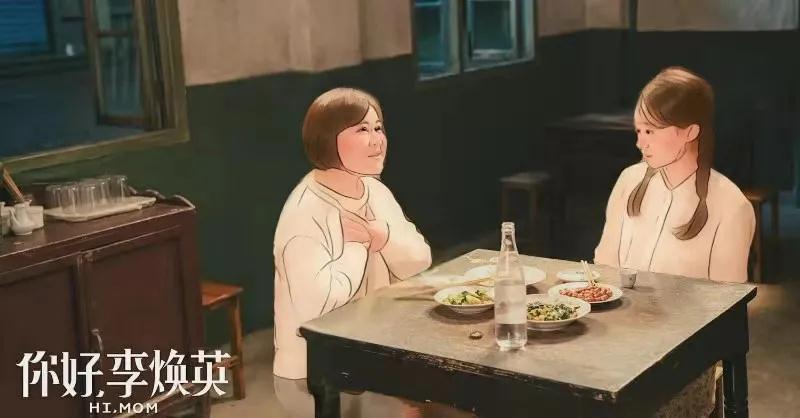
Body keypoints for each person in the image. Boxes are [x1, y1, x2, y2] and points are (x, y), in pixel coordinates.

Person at [273, 87, 467, 418]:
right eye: (362, 130)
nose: (377, 140)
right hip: (314, 374)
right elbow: (317, 308)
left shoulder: (374, 190)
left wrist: (383, 237)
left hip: (369, 355)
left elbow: (419, 258)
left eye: (378, 128)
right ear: (326, 139)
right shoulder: (305, 211)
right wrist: (357, 247)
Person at [595, 67, 755, 416]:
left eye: (651, 131)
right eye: (638, 131)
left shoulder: (730, 205)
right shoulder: (628, 181)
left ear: (690, 132)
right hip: (617, 349)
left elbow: (726, 319)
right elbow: (603, 267)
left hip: (685, 365)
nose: (640, 143)